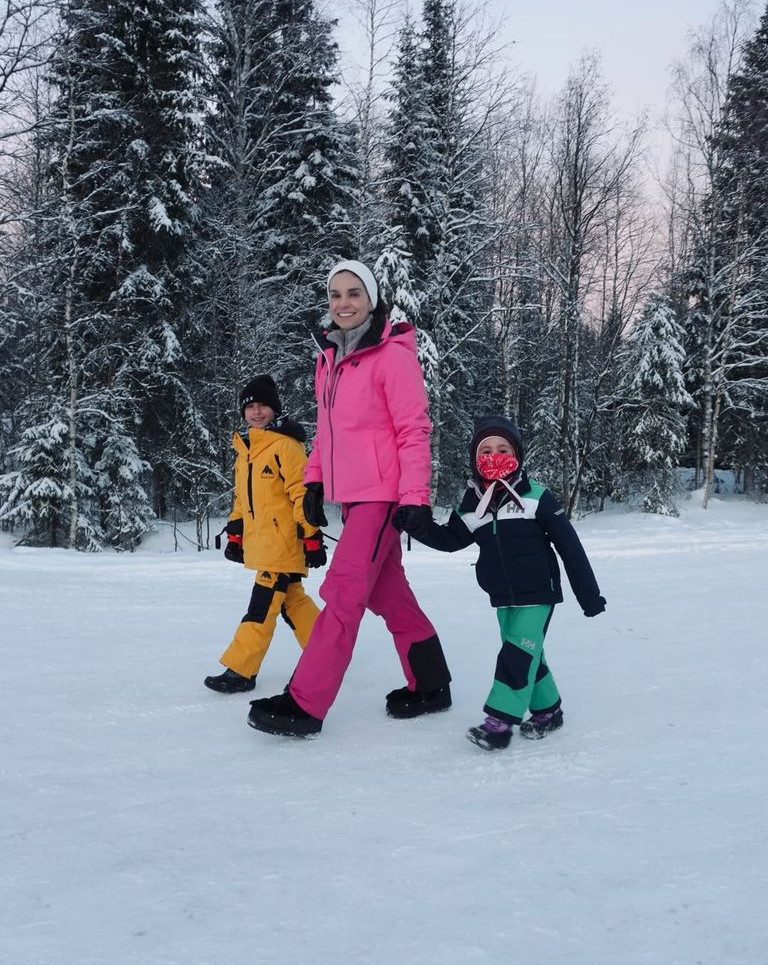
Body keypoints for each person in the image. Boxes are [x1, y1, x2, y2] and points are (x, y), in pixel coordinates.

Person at [247, 260, 452, 737]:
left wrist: (415, 498)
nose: (343, 303)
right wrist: (315, 481)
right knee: (389, 595)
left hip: (383, 498)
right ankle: (431, 683)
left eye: (354, 293)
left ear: (373, 300)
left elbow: (414, 431)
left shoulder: (392, 356)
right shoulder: (329, 360)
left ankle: (305, 702)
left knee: (341, 593)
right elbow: (328, 431)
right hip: (352, 498)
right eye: (336, 294)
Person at [401, 415, 606, 751]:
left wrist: (589, 595)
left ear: (517, 455)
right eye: (485, 451)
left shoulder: (536, 497)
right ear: (474, 460)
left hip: (539, 593)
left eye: (502, 449)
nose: (493, 456)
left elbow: (570, 547)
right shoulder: (472, 506)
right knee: (529, 653)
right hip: (502, 596)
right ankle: (548, 712)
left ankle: (498, 723)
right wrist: (417, 525)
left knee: (515, 654)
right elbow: (451, 540)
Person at [204, 375, 324, 694]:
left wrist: (311, 537)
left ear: (274, 410)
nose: (257, 413)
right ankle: (328, 651)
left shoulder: (285, 446)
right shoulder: (248, 450)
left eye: (263, 407)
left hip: (282, 543)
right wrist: (235, 534)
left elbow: (303, 495)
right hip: (265, 544)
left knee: (261, 606)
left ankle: (242, 671)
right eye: (251, 407)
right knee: (292, 601)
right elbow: (243, 499)